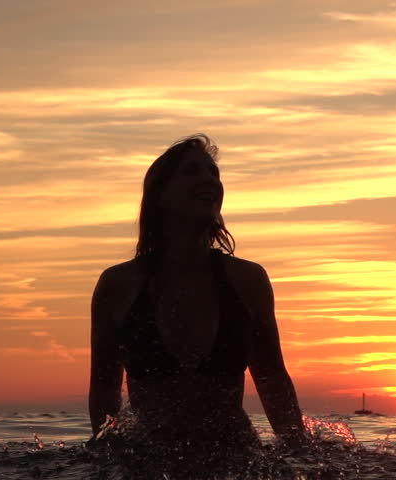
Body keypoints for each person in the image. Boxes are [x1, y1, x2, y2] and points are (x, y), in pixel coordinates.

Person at [89, 134, 308, 469]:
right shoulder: (119, 285)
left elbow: (272, 378)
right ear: (160, 195)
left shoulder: (248, 280)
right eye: (192, 171)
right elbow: (105, 387)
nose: (209, 180)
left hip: (237, 461)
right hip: (147, 463)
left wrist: (301, 454)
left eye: (214, 173)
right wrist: (104, 463)